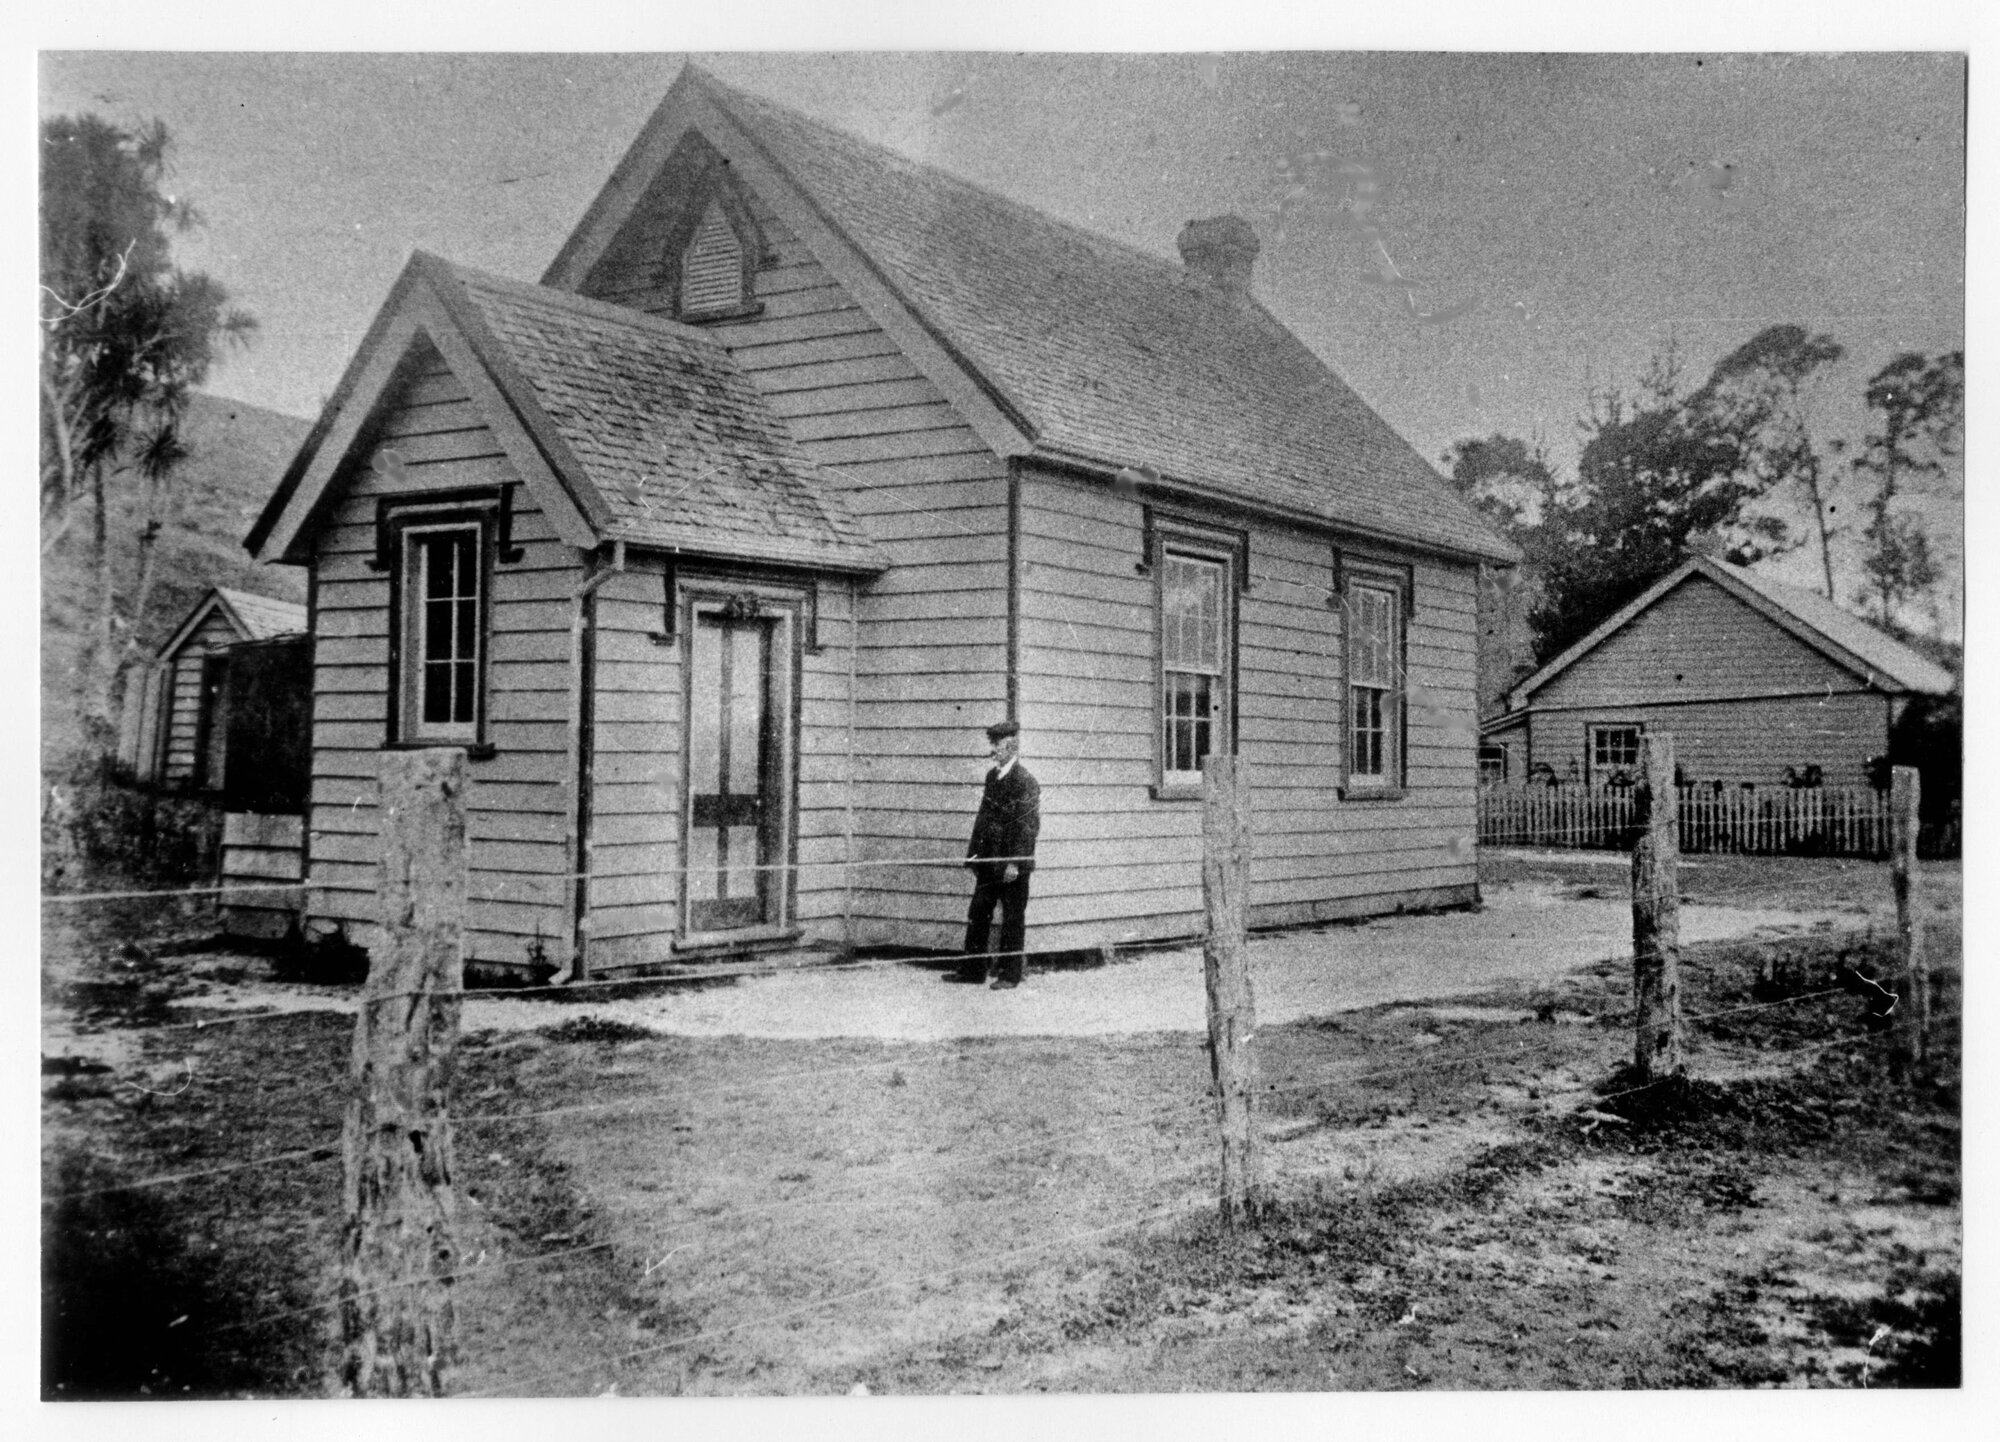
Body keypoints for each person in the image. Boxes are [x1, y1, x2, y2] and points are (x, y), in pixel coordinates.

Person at [953, 719, 1040, 988]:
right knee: (979, 911)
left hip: (1012, 864)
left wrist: (1015, 862)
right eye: (992, 745)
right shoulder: (992, 777)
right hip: (989, 861)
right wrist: (974, 856)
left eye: (998, 746)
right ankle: (973, 970)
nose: (994, 751)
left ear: (1012, 747)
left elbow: (1028, 826)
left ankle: (1009, 975)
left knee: (1013, 918)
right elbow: (983, 819)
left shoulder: (1025, 781)